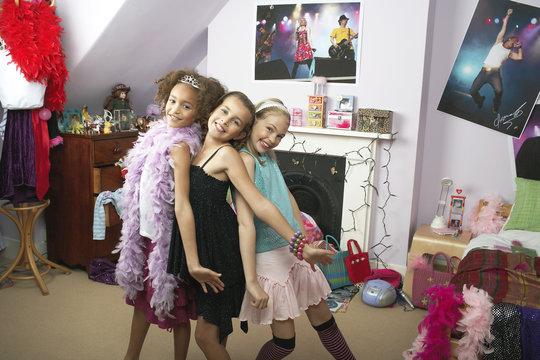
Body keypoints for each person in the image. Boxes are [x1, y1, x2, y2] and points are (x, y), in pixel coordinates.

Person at [167, 91, 335, 360]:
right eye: (223, 111)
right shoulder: (195, 147)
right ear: (212, 109)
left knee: (205, 336)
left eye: (235, 121)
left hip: (220, 252)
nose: (225, 121)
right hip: (201, 247)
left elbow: (258, 208)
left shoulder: (230, 156)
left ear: (239, 132)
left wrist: (301, 245)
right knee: (216, 332)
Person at [114, 68, 226, 360]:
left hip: (168, 240)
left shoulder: (183, 146)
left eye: (186, 106)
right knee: (141, 302)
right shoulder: (155, 134)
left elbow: (183, 201)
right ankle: (131, 356)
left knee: (174, 309)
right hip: (146, 232)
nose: (175, 109)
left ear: (198, 113)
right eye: (173, 101)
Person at [235, 99, 356, 360]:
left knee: (324, 320)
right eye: (268, 129)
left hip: (292, 245)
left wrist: (306, 242)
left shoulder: (268, 156)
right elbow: (259, 210)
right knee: (284, 343)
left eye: (279, 135)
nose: (272, 138)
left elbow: (288, 197)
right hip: (268, 255)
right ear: (253, 122)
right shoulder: (245, 161)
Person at [469, 8, 523, 114]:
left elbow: (520, 58)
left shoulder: (510, 53)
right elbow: (504, 27)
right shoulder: (499, 42)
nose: (516, 43)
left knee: (499, 91)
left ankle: (495, 106)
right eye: (515, 41)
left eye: (517, 42)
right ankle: (480, 100)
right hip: (483, 72)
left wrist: (520, 47)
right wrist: (507, 15)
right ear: (509, 39)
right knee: (472, 91)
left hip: (494, 74)